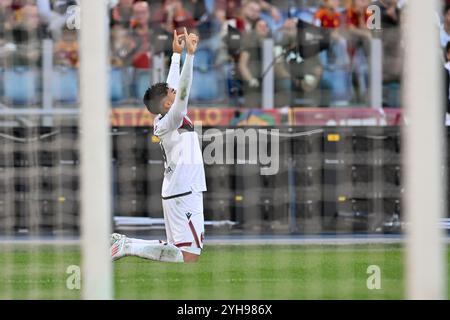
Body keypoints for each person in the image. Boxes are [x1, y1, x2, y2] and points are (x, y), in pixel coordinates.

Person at [110, 28, 206, 263]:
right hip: (184, 190)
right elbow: (181, 90)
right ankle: (127, 246)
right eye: (170, 94)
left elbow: (173, 87)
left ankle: (127, 243)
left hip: (179, 189)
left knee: (180, 251)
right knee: (188, 256)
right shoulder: (172, 118)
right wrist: (190, 57)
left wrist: (176, 55)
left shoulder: (165, 117)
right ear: (166, 103)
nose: (174, 91)